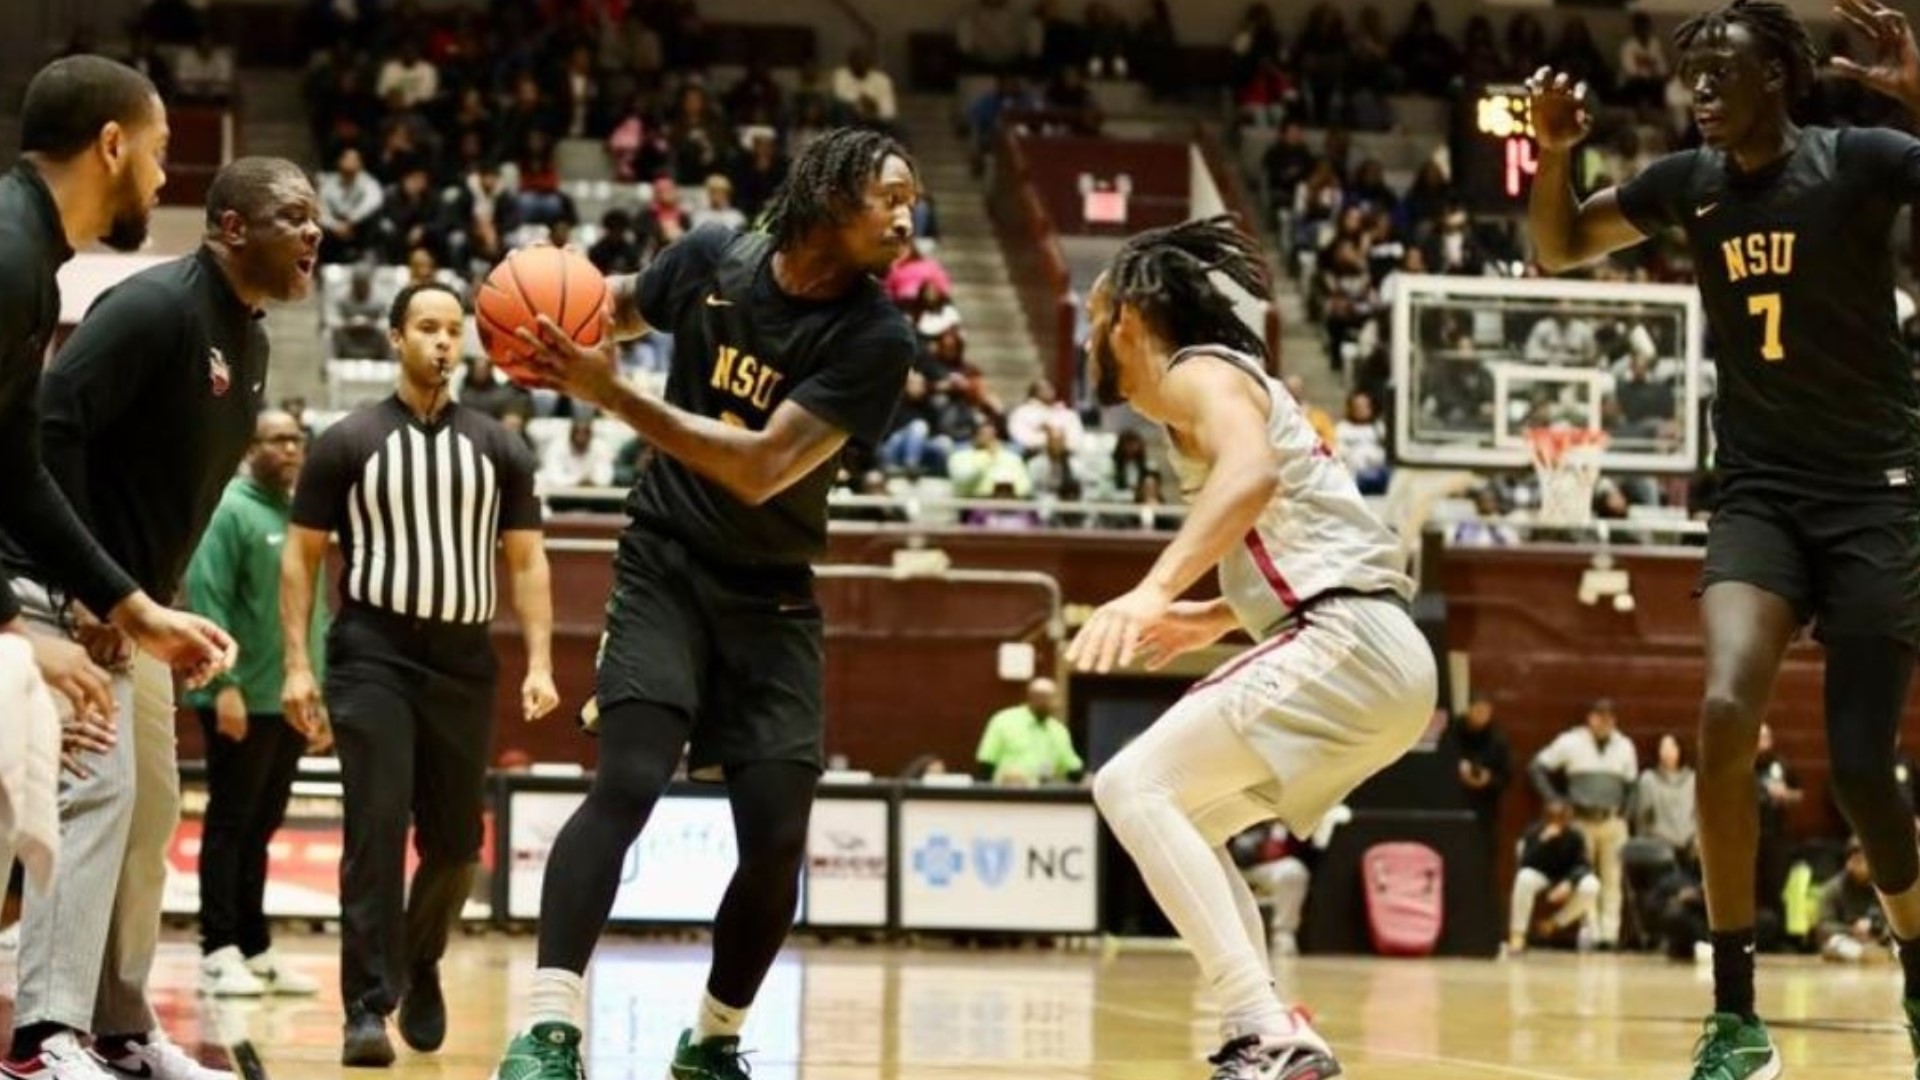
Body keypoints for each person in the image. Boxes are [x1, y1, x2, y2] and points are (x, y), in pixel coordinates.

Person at [1527, 0, 1920, 1072]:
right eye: (1691, 71)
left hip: (1878, 494)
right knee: (1719, 713)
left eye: (1722, 72)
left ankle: (1919, 968)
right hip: (1760, 495)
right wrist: (1550, 157)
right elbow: (1558, 244)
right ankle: (1738, 1018)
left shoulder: (1859, 160)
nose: (1698, 88)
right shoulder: (1687, 187)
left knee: (1860, 774)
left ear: (1781, 80)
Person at [487, 127, 918, 1080]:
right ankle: (550, 1029)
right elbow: (626, 308)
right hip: (665, 565)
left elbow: (761, 469)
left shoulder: (876, 336)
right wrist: (548, 325)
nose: (905, 215)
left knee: (777, 840)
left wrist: (607, 393)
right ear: (831, 195)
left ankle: (714, 1042)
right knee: (630, 780)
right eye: (889, 195)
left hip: (772, 595)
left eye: (912, 200)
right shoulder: (717, 252)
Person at [1067, 216, 1435, 1080]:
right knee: (1180, 815)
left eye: (1092, 315)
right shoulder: (1212, 396)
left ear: (1126, 315)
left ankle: (1262, 1028)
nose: (1086, 334)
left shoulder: (1203, 373)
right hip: (1365, 646)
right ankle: (1271, 1031)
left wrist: (1157, 588)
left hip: (1347, 638)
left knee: (1130, 781)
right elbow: (1298, 532)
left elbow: (1253, 479)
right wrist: (1208, 620)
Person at [0, 156, 319, 1080]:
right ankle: (43, 1036)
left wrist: (157, 610)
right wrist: (95, 591)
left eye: (315, 220)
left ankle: (120, 1027)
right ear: (228, 227)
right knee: (94, 795)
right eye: (292, 217)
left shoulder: (248, 343)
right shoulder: (152, 309)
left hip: (133, 609)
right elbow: (49, 430)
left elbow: (163, 496)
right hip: (61, 599)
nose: (312, 234)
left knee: (151, 815)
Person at [281, 282, 559, 1066]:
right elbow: (301, 560)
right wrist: (299, 664)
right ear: (396, 338)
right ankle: (366, 1007)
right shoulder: (346, 441)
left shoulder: (501, 446)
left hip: (465, 659)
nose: (443, 341)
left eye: (453, 330)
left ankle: (420, 957)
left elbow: (528, 560)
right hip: (374, 652)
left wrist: (540, 660)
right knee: (374, 828)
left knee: (457, 842)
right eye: (427, 328)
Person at [0, 56, 237, 773]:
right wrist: (12, 630)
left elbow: (15, 471)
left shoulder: (29, 255)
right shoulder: (10, 258)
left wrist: (133, 608)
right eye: (159, 150)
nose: (164, 177)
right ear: (112, 145)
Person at [182, 410, 329, 999]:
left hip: (287, 700)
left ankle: (255, 947)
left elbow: (312, 613)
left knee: (262, 827)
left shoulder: (298, 515)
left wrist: (314, 687)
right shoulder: (230, 509)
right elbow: (208, 597)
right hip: (240, 697)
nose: (290, 449)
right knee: (230, 824)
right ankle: (217, 949)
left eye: (297, 440)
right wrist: (226, 687)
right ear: (250, 446)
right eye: (277, 440)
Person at [1527, 699, 1638, 950]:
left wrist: (1625, 815)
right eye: (1599, 716)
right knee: (1586, 877)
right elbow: (1537, 767)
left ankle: (1609, 936)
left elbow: (1633, 786)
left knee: (1613, 878)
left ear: (1615, 721)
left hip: (1612, 821)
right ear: (1590, 718)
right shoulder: (1571, 741)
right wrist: (1555, 800)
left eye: (1609, 717)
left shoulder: (1625, 745)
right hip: (1580, 820)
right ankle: (1593, 934)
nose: (1604, 722)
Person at [1507, 800, 1602, 955]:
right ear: (1544, 818)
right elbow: (1524, 863)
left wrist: (1569, 883)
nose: (1556, 823)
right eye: (1552, 818)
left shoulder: (1575, 836)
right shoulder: (1533, 833)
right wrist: (1542, 841)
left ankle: (1553, 923)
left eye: (1561, 818)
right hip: (1541, 875)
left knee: (1592, 885)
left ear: (1568, 819)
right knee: (1523, 878)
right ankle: (1517, 934)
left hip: (1566, 877)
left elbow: (1585, 865)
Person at [973, 677, 1084, 785]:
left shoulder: (1059, 730)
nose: (1057, 704)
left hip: (1044, 798)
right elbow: (985, 764)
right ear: (1036, 697)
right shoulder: (1003, 721)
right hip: (1006, 795)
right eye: (1052, 699)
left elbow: (1074, 771)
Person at [1816, 836, 1890, 963]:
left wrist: (1878, 931)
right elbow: (1823, 926)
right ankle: (1865, 955)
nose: (1859, 864)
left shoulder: (1886, 886)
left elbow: (1896, 922)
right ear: (1848, 862)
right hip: (1848, 941)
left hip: (1880, 940)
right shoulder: (1832, 888)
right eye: (1855, 858)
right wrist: (1852, 930)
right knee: (1834, 944)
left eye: (1863, 859)